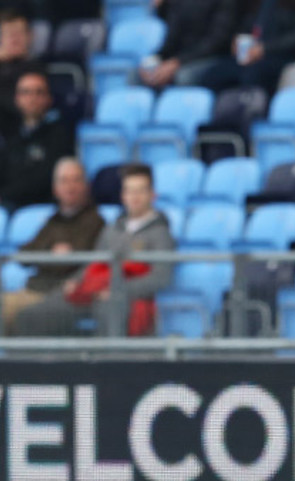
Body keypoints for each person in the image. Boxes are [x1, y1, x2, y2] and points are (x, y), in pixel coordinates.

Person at [13, 165, 175, 337]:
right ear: (122, 195)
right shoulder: (113, 229)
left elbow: (160, 278)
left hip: (125, 298)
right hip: (94, 291)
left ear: (152, 195)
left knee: (111, 308)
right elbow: (94, 262)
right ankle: (42, 361)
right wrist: (74, 282)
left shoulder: (161, 233)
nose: (134, 197)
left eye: (140, 191)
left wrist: (118, 289)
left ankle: (107, 362)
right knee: (34, 313)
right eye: (129, 191)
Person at [1, 158, 103, 333]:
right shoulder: (52, 221)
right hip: (34, 287)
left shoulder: (95, 222)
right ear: (55, 189)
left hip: (59, 294)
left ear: (86, 186)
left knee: (11, 312)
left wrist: (47, 256)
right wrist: (50, 253)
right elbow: (25, 255)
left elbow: (68, 262)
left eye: (76, 180)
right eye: (64, 181)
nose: (70, 187)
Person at [0, 70, 75, 209]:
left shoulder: (60, 134)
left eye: (39, 92)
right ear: (17, 99)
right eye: (26, 92)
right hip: (6, 205)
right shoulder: (10, 135)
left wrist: (4, 195)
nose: (32, 98)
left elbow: (44, 179)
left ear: (49, 98)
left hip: (41, 208)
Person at [138, 0, 239, 90]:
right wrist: (156, 59)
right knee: (138, 75)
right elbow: (170, 40)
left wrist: (178, 62)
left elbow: (216, 43)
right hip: (178, 60)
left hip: (212, 59)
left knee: (183, 77)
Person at [0, 9, 42, 130]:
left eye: (19, 33)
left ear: (30, 36)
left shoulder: (35, 68)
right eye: (9, 34)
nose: (14, 39)